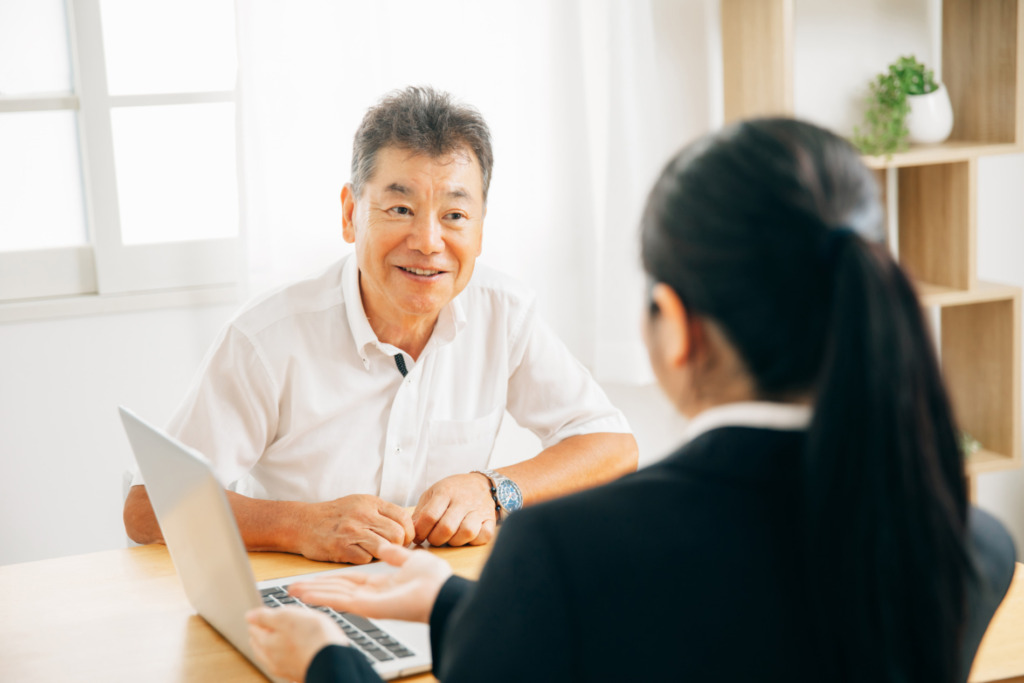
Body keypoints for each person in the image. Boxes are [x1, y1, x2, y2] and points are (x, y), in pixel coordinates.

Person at [245, 118, 1017, 682]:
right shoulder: (973, 547)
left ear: (675, 328)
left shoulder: (564, 554)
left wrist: (325, 664)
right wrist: (452, 604)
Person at [123, 86, 638, 563]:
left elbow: (612, 444)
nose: (429, 242)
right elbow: (146, 508)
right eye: (399, 208)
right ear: (350, 214)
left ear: (481, 229)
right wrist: (296, 524)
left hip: (436, 596)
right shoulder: (266, 338)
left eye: (455, 216)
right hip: (298, 597)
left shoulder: (504, 312)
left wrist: (493, 488)